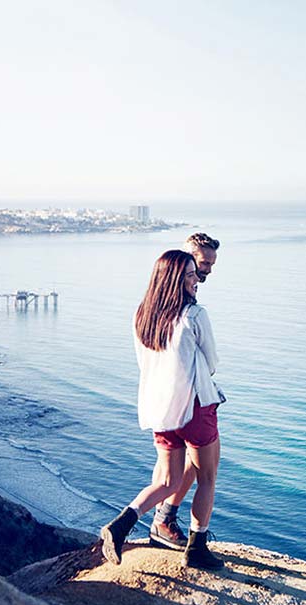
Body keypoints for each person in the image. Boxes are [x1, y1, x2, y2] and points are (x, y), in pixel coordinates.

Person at [100, 249, 225, 570]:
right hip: (195, 406)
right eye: (190, 275)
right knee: (207, 476)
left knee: (168, 481)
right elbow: (212, 363)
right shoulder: (195, 316)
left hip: (160, 408)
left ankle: (120, 525)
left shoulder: (142, 314)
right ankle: (197, 548)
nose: (197, 280)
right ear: (174, 280)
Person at [149, 233, 221, 550]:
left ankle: (164, 517)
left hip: (162, 396)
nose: (206, 271)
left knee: (181, 464)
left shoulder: (159, 296)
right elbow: (210, 359)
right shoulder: (190, 308)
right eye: (202, 263)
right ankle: (172, 526)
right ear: (189, 257)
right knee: (196, 469)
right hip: (189, 397)